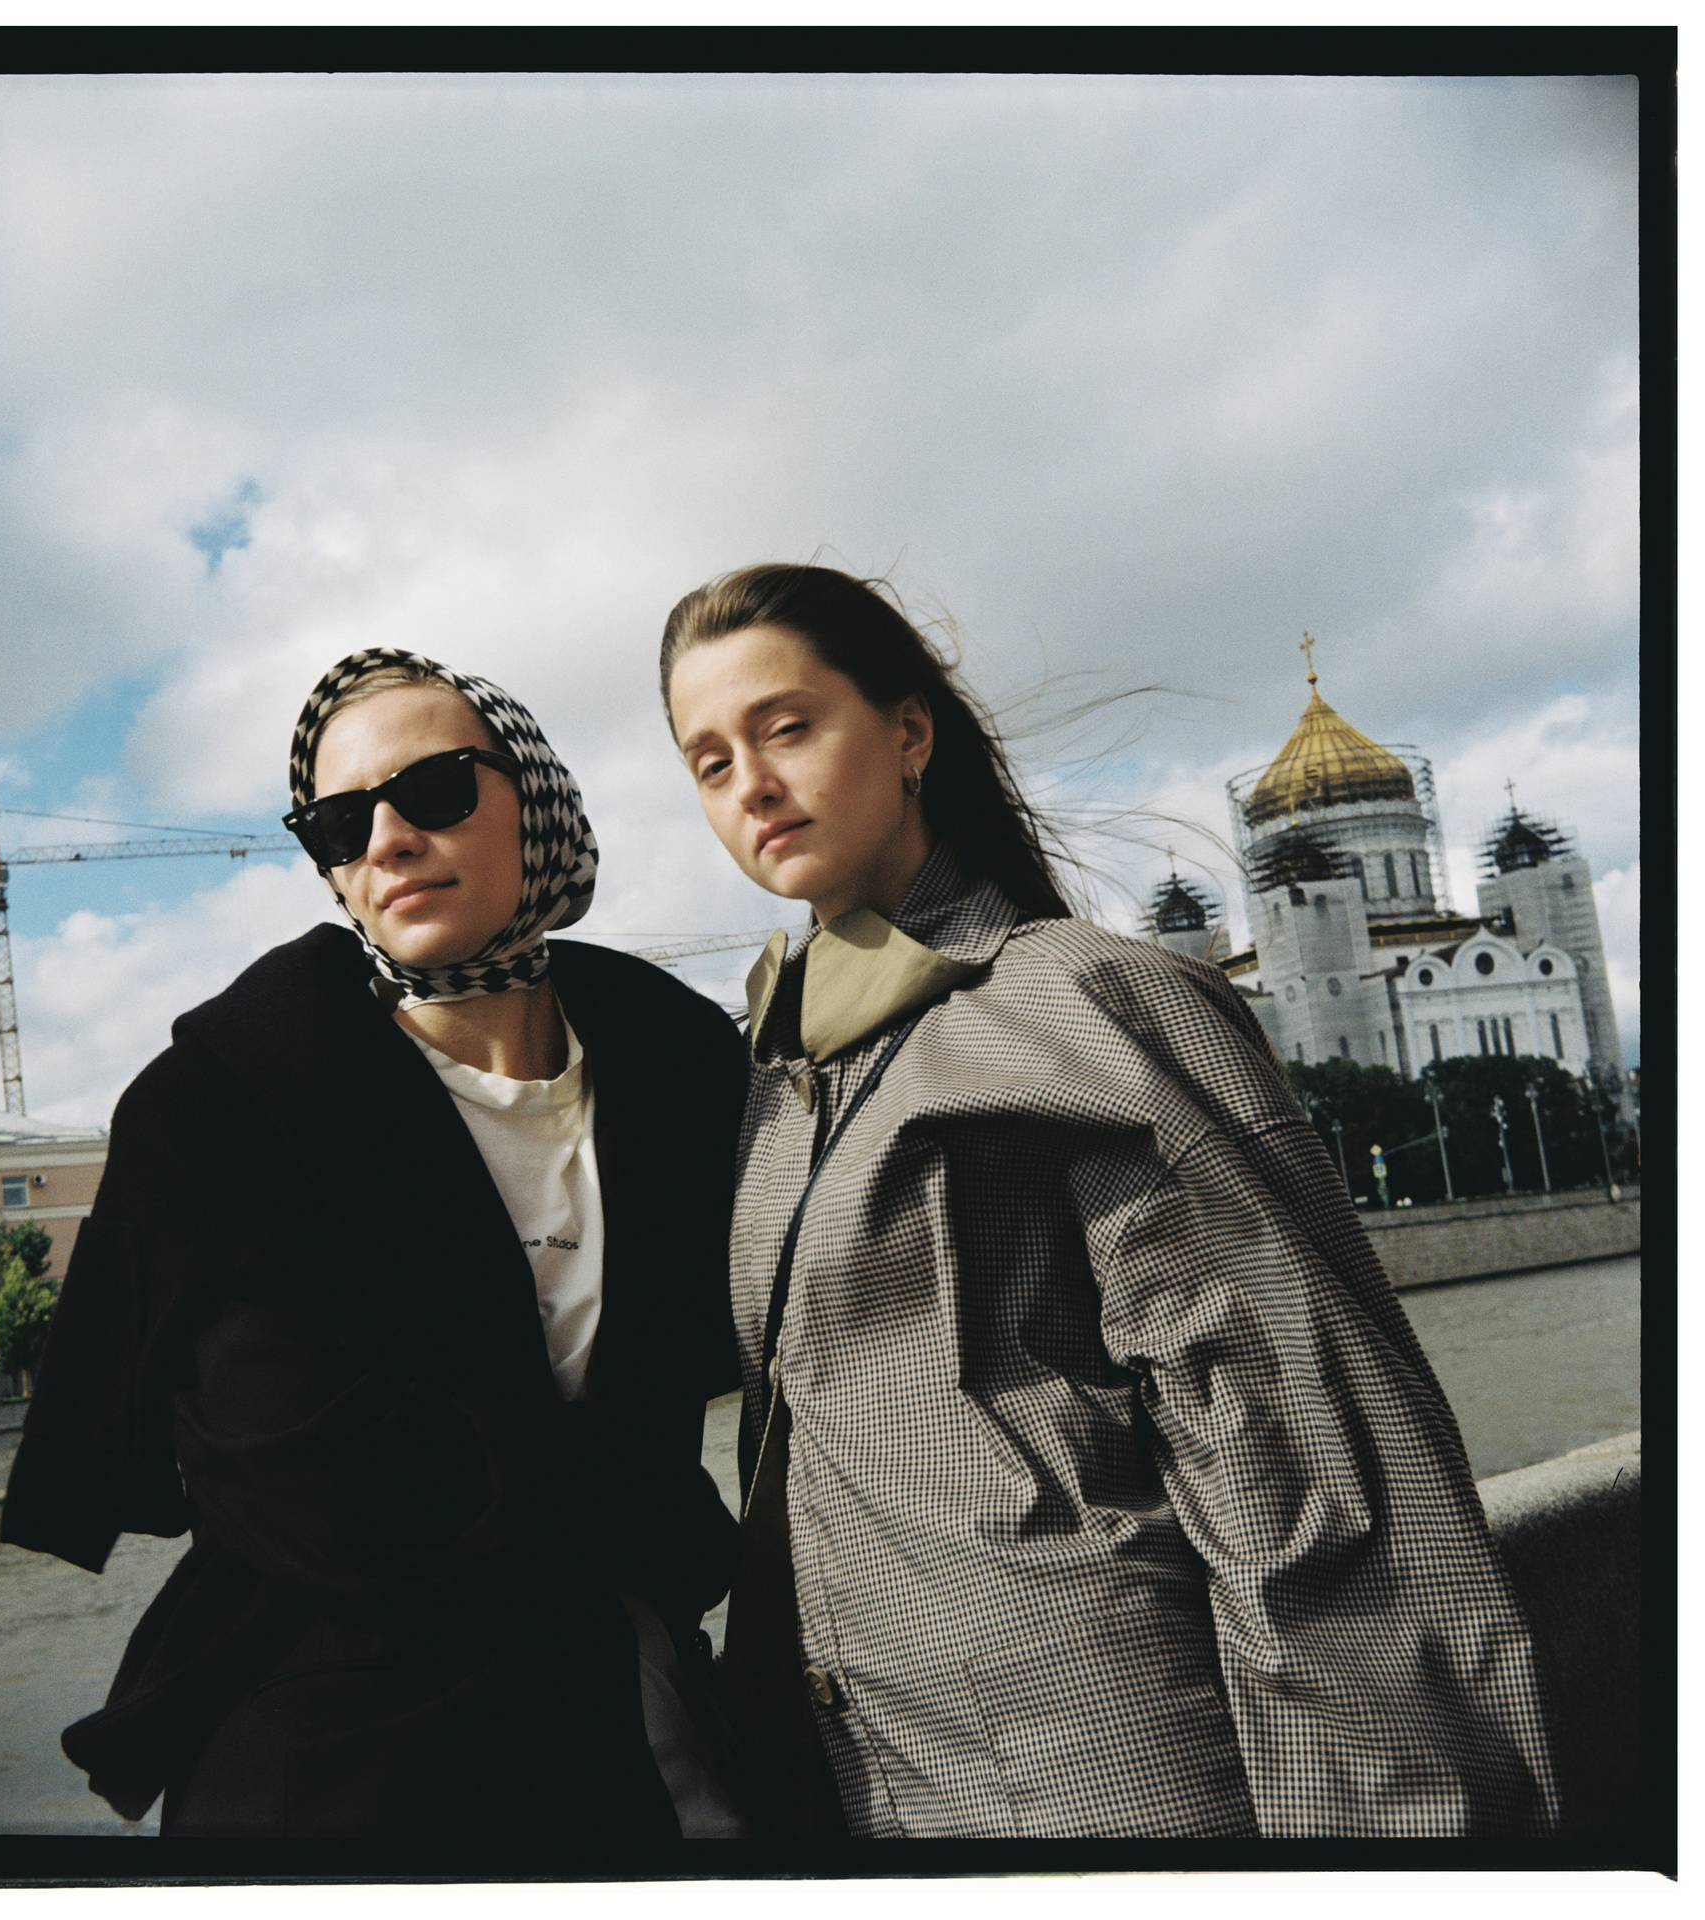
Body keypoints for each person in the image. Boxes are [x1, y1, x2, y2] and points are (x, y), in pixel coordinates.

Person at [660, 563, 1561, 1840]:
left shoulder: (1083, 1002)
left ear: (910, 732)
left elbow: (1303, 1449)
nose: (751, 784)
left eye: (787, 727)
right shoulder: (778, 1073)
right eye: (709, 763)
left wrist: (1390, 1847)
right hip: (875, 1789)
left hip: (1103, 1780)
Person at [1, 648, 749, 1843]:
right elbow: (311, 1480)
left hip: (652, 1716)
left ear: (535, 800)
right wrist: (659, 1511)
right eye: (340, 824)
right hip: (349, 1748)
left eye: (434, 791)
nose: (390, 840)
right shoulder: (225, 1103)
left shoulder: (680, 1057)